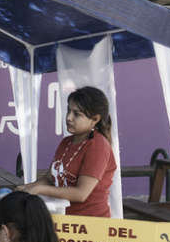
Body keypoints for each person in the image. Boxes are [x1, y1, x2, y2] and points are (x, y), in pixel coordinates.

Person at [15, 86, 117, 218]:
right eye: (68, 110)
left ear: (95, 119)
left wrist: (38, 189)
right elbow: (49, 179)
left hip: (90, 224)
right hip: (63, 218)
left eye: (77, 114)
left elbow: (81, 194)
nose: (69, 117)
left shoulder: (98, 145)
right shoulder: (66, 142)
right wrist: (26, 189)